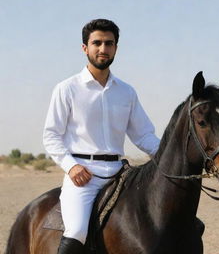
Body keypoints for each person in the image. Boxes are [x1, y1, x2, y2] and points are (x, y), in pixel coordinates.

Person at [43, 19, 160, 254]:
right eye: (97, 43)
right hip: (83, 176)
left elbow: (144, 135)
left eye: (109, 43)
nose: (103, 49)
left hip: (120, 174)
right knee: (76, 231)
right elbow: (51, 135)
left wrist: (169, 155)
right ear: (85, 48)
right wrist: (71, 167)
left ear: (116, 48)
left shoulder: (126, 92)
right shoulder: (67, 89)